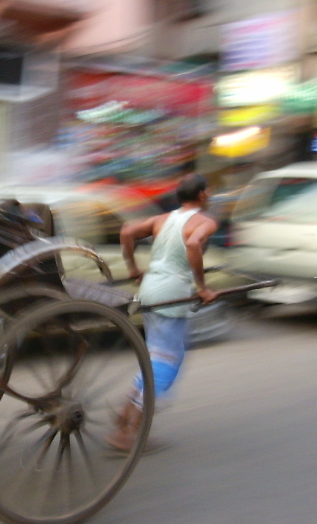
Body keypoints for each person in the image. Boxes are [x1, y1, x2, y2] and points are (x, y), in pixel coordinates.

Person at [106, 173, 219, 451]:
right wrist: (202, 287)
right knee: (168, 361)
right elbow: (193, 244)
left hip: (150, 289)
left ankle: (125, 416)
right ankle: (130, 431)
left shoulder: (162, 219)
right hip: (172, 293)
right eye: (209, 192)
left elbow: (127, 232)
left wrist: (132, 268)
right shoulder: (205, 221)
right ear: (202, 195)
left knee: (156, 354)